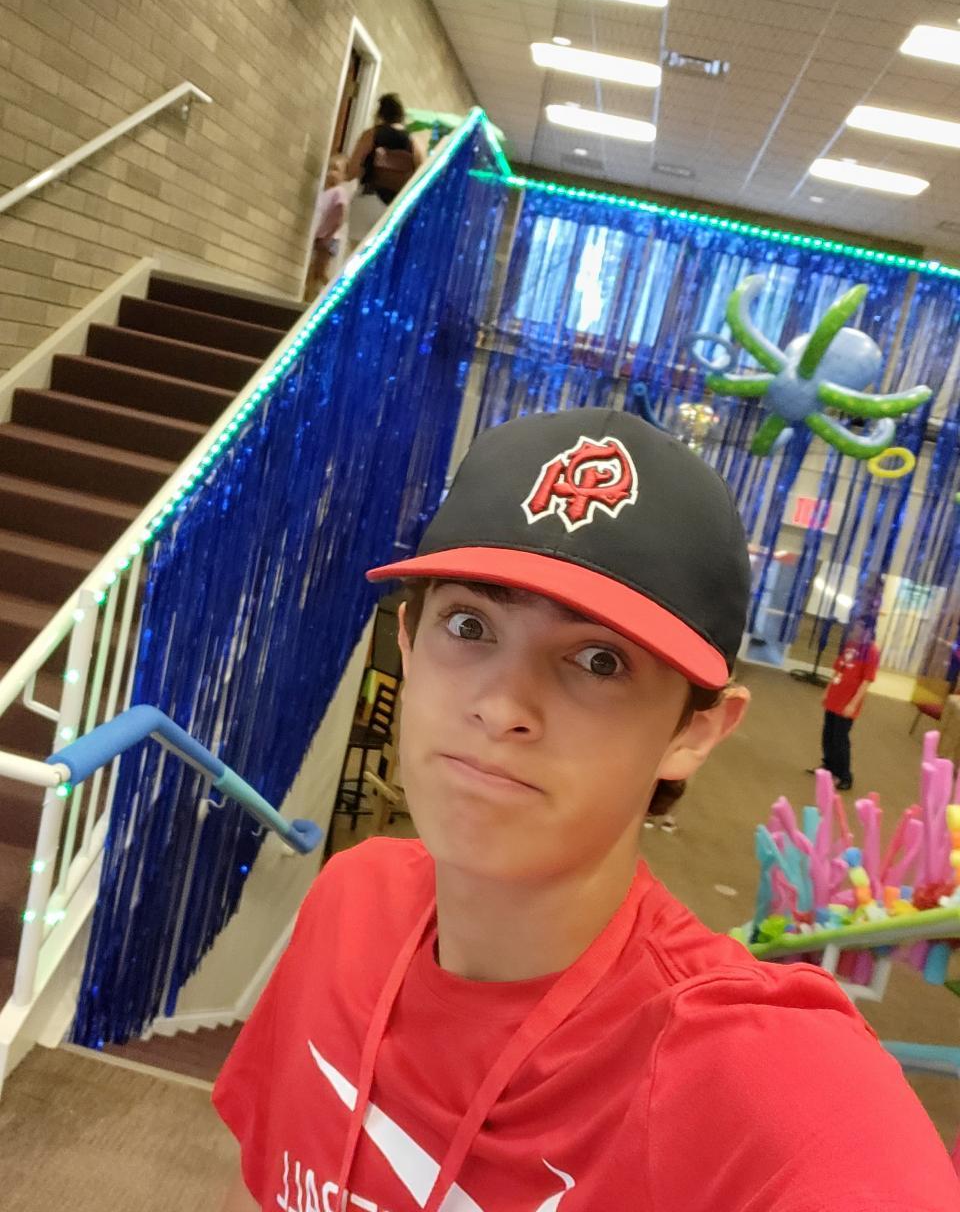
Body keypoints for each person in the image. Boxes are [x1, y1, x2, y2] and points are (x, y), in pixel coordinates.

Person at [214, 409, 958, 1211]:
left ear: (695, 732)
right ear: (409, 641)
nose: (502, 706)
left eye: (599, 661)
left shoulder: (749, 1075)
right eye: (468, 624)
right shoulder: (349, 900)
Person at [345, 93, 424, 246]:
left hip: (368, 200)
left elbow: (351, 172)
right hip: (395, 208)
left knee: (357, 253)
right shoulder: (414, 143)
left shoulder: (371, 134)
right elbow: (421, 179)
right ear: (401, 116)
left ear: (380, 114)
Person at [817, 615, 881, 791]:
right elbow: (838, 670)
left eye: (859, 627)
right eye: (855, 627)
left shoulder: (871, 651)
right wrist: (828, 690)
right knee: (828, 734)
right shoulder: (850, 645)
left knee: (840, 738)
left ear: (868, 630)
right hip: (835, 696)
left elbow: (866, 681)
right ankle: (828, 766)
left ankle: (844, 775)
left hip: (847, 701)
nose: (855, 630)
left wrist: (853, 704)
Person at [304, 154, 353, 300]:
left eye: (336, 170)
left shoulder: (339, 192)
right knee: (313, 271)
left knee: (319, 271)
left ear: (344, 176)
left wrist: (328, 236)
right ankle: (308, 297)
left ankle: (339, 295)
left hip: (329, 237)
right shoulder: (325, 192)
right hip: (321, 236)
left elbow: (341, 216)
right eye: (330, 169)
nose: (331, 173)